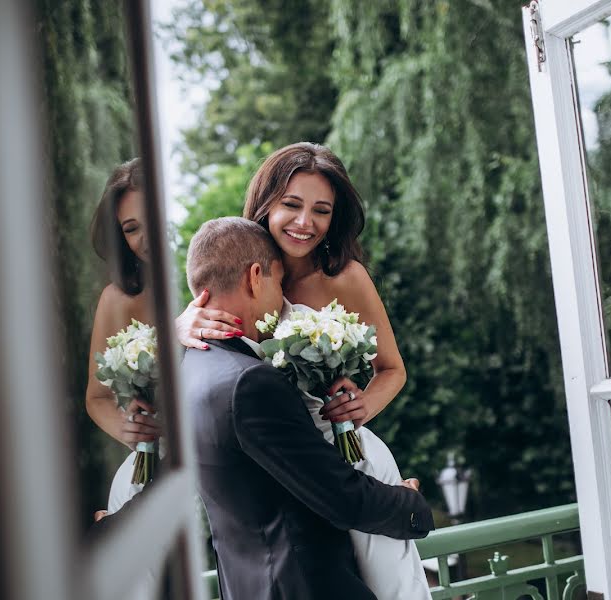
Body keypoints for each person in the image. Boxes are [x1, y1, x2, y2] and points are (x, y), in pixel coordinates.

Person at [172, 143, 431, 598]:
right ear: (266, 203)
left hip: (344, 455)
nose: (304, 222)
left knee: (390, 586)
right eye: (291, 204)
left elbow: (392, 369)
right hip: (272, 478)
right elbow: (213, 367)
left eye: (322, 210)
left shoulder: (344, 277)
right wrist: (180, 325)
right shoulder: (236, 260)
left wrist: (360, 405)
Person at [85, 158, 163, 503]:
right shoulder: (119, 299)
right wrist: (131, 431)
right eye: (131, 228)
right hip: (156, 474)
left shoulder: (218, 269)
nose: (145, 239)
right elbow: (97, 397)